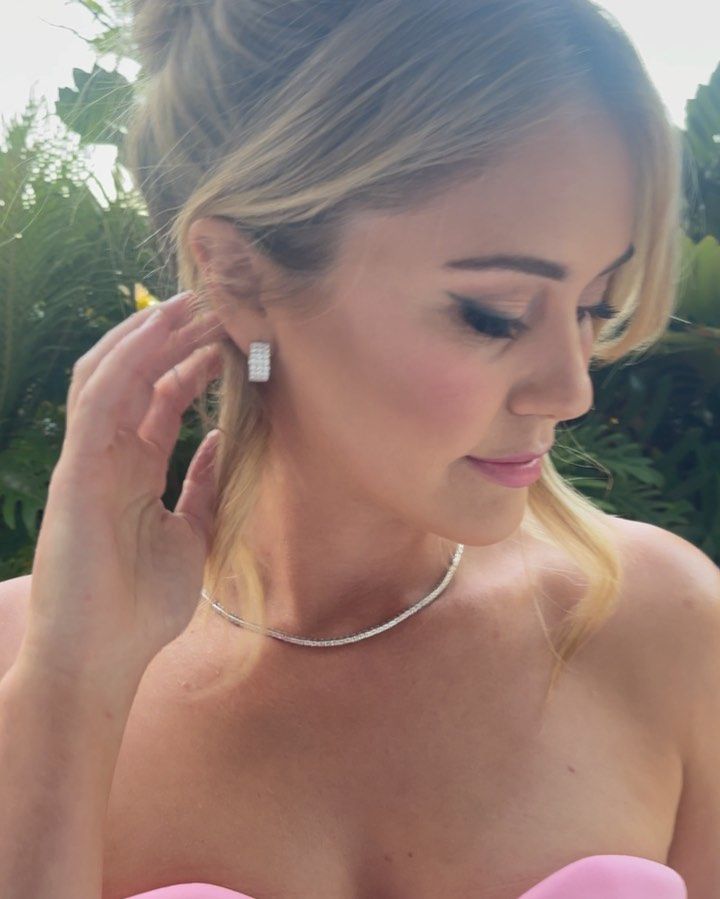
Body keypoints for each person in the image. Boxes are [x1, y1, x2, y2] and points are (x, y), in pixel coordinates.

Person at [0, 0, 718, 897]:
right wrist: (68, 690)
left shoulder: (667, 625)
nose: (571, 390)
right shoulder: (27, 658)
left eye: (593, 307)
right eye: (493, 314)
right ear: (238, 277)